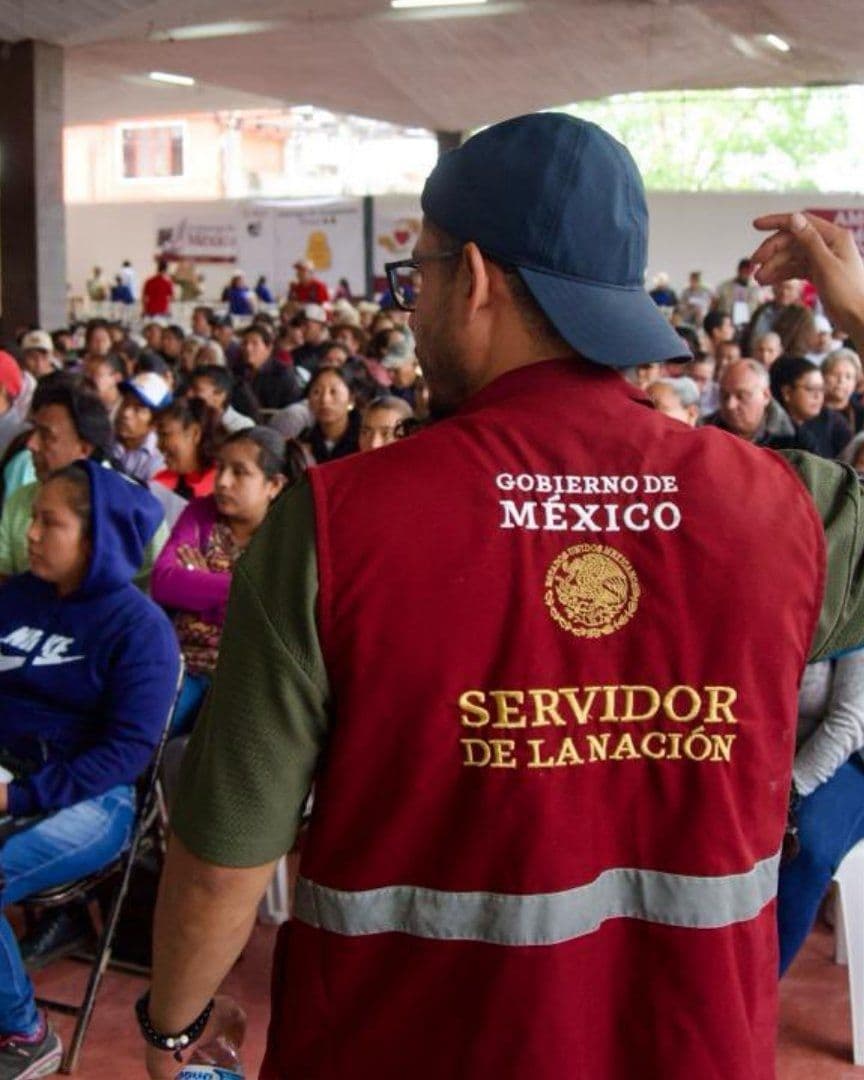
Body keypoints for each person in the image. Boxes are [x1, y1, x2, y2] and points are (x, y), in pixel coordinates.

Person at [141, 118, 864, 1080]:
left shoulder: (335, 525)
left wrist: (174, 1027)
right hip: (689, 1051)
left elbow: (226, 855)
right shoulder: (788, 511)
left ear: (472, 277)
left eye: (420, 277)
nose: (417, 305)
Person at [0, 461, 179, 1078]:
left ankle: (25, 1032)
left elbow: (125, 754)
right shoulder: (16, 597)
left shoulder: (140, 631)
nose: (30, 534)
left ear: (95, 536)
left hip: (90, 799)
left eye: (50, 523)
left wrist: (17, 797)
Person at [151, 428, 306, 734]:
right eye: (221, 468)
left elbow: (274, 613)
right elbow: (164, 582)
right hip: (182, 664)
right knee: (150, 729)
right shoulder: (201, 514)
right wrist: (239, 594)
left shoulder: (288, 536)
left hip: (248, 674)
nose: (222, 482)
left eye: (240, 473)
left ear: (273, 485)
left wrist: (201, 585)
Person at [0, 376, 167, 585]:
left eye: (46, 435)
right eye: (34, 431)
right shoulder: (20, 500)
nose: (31, 444)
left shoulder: (138, 510)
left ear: (84, 448)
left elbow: (153, 595)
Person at [776, 648, 864, 974]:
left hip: (848, 755)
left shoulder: (853, 600)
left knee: (804, 847)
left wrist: (791, 791)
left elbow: (851, 718)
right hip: (764, 752)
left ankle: (756, 999)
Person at [701, 358, 815, 451]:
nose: (730, 405)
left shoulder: (797, 442)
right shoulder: (703, 431)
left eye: (741, 396)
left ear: (765, 396)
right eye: (725, 396)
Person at [775, 356, 852, 459]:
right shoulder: (772, 431)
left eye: (821, 389)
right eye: (811, 388)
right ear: (787, 393)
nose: (818, 396)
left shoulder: (833, 422)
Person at [153, 399, 220, 500]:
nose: (158, 445)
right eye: (158, 436)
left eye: (165, 434)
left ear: (194, 433)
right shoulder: (161, 483)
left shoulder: (221, 489)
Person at [111, 372, 171, 483]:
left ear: (155, 422)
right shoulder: (103, 438)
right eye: (125, 402)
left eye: (138, 409)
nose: (126, 413)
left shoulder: (159, 462)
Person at [300, 367, 361, 463]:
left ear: (351, 399)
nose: (324, 400)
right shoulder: (305, 440)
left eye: (333, 392)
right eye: (317, 392)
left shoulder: (364, 438)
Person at [188, 366, 254, 436]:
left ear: (220, 394)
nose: (188, 394)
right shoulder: (188, 419)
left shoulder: (240, 426)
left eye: (196, 389)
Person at [823, 347, 864, 433]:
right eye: (835, 374)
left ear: (855, 382)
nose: (841, 381)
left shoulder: (861, 413)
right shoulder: (810, 410)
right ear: (823, 376)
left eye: (848, 377)